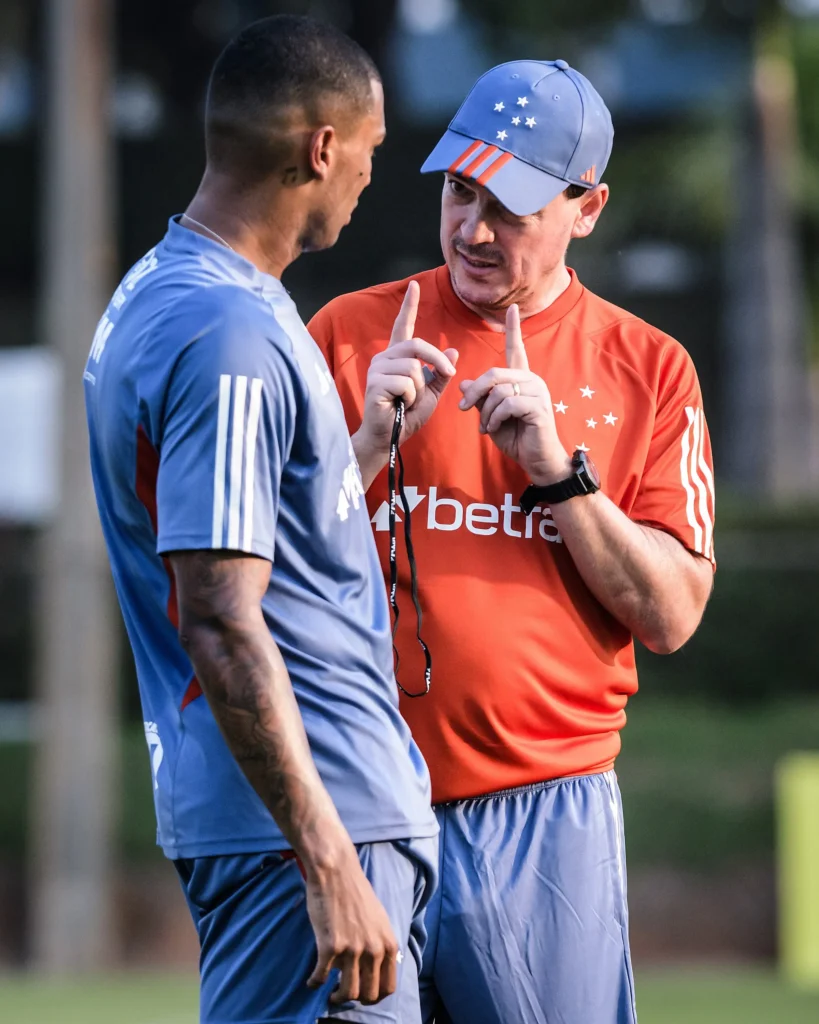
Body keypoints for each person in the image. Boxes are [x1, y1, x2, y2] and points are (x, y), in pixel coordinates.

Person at [308, 59, 716, 1024]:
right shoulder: (349, 335)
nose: (473, 230)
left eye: (511, 205)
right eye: (459, 191)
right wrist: (365, 445)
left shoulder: (649, 366)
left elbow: (672, 614)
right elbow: (256, 566)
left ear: (588, 208)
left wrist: (560, 477)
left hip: (546, 808)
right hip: (356, 805)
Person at [84, 16, 452, 1024]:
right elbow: (219, 616)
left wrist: (360, 447)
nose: (374, 178)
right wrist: (328, 858)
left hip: (293, 820)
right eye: (372, 153)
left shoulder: (172, 294)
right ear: (321, 148)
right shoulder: (230, 331)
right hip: (307, 824)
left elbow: (257, 542)